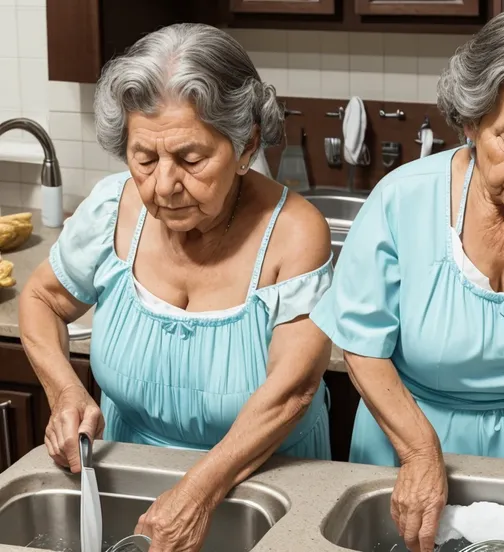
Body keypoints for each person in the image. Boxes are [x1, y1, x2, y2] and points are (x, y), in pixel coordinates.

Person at [310, 6, 504, 552]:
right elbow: (361, 348)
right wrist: (418, 452)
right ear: (472, 122)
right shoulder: (401, 200)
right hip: (406, 453)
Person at [19, 23, 333, 551]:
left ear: (246, 143)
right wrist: (65, 390)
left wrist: (198, 494)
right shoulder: (112, 208)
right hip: (131, 480)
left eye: (191, 160)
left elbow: (292, 392)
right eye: (144, 159)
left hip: (266, 486)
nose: (163, 185)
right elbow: (42, 299)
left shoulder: (295, 233)